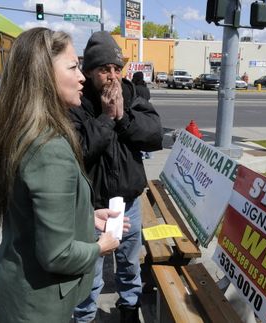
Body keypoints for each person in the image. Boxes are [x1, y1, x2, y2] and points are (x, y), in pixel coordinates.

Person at [0, 27, 121, 323]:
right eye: (73, 67)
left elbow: (33, 215)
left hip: (20, 295)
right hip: (37, 309)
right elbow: (57, 255)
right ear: (43, 74)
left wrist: (87, 218)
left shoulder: (20, 128)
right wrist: (101, 246)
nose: (82, 76)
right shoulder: (50, 148)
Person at [70, 31, 163, 323]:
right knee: (90, 273)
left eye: (116, 69)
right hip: (93, 207)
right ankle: (84, 317)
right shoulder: (75, 101)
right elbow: (79, 150)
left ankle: (129, 309)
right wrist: (108, 118)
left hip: (130, 202)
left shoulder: (132, 94)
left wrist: (124, 118)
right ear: (89, 72)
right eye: (104, 69)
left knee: (128, 264)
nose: (112, 76)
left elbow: (154, 135)